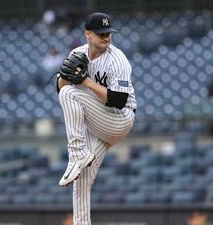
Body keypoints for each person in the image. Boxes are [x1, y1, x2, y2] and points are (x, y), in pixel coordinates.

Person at [56, 12, 136, 225]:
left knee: (70, 93)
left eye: (108, 33)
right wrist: (65, 76)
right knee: (81, 178)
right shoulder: (77, 53)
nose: (106, 37)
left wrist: (86, 82)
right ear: (88, 34)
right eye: (101, 33)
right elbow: (59, 86)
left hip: (120, 118)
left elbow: (119, 100)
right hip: (98, 121)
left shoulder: (117, 60)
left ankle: (76, 153)